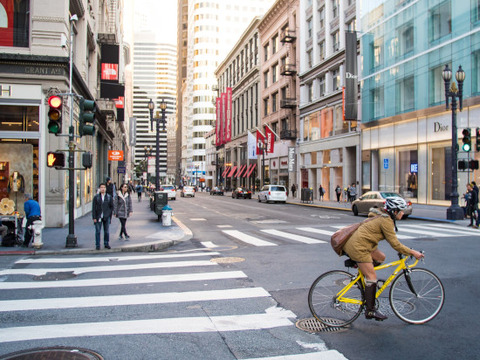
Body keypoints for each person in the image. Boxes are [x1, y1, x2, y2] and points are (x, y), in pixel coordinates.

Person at [342, 198, 424, 321]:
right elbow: (395, 244)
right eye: (401, 211)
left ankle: (364, 279)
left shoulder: (382, 216)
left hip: (363, 244)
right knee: (372, 277)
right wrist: (412, 252)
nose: (403, 213)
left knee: (381, 257)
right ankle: (370, 311)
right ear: (394, 211)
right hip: (359, 247)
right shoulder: (386, 221)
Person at [92, 183, 114, 250]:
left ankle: (106, 243)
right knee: (98, 231)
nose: (103, 189)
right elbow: (94, 208)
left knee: (106, 231)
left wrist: (108, 214)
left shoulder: (109, 197)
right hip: (98, 216)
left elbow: (111, 207)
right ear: (99, 188)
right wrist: (94, 217)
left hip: (106, 216)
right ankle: (98, 245)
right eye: (101, 187)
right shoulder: (96, 197)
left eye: (104, 187)